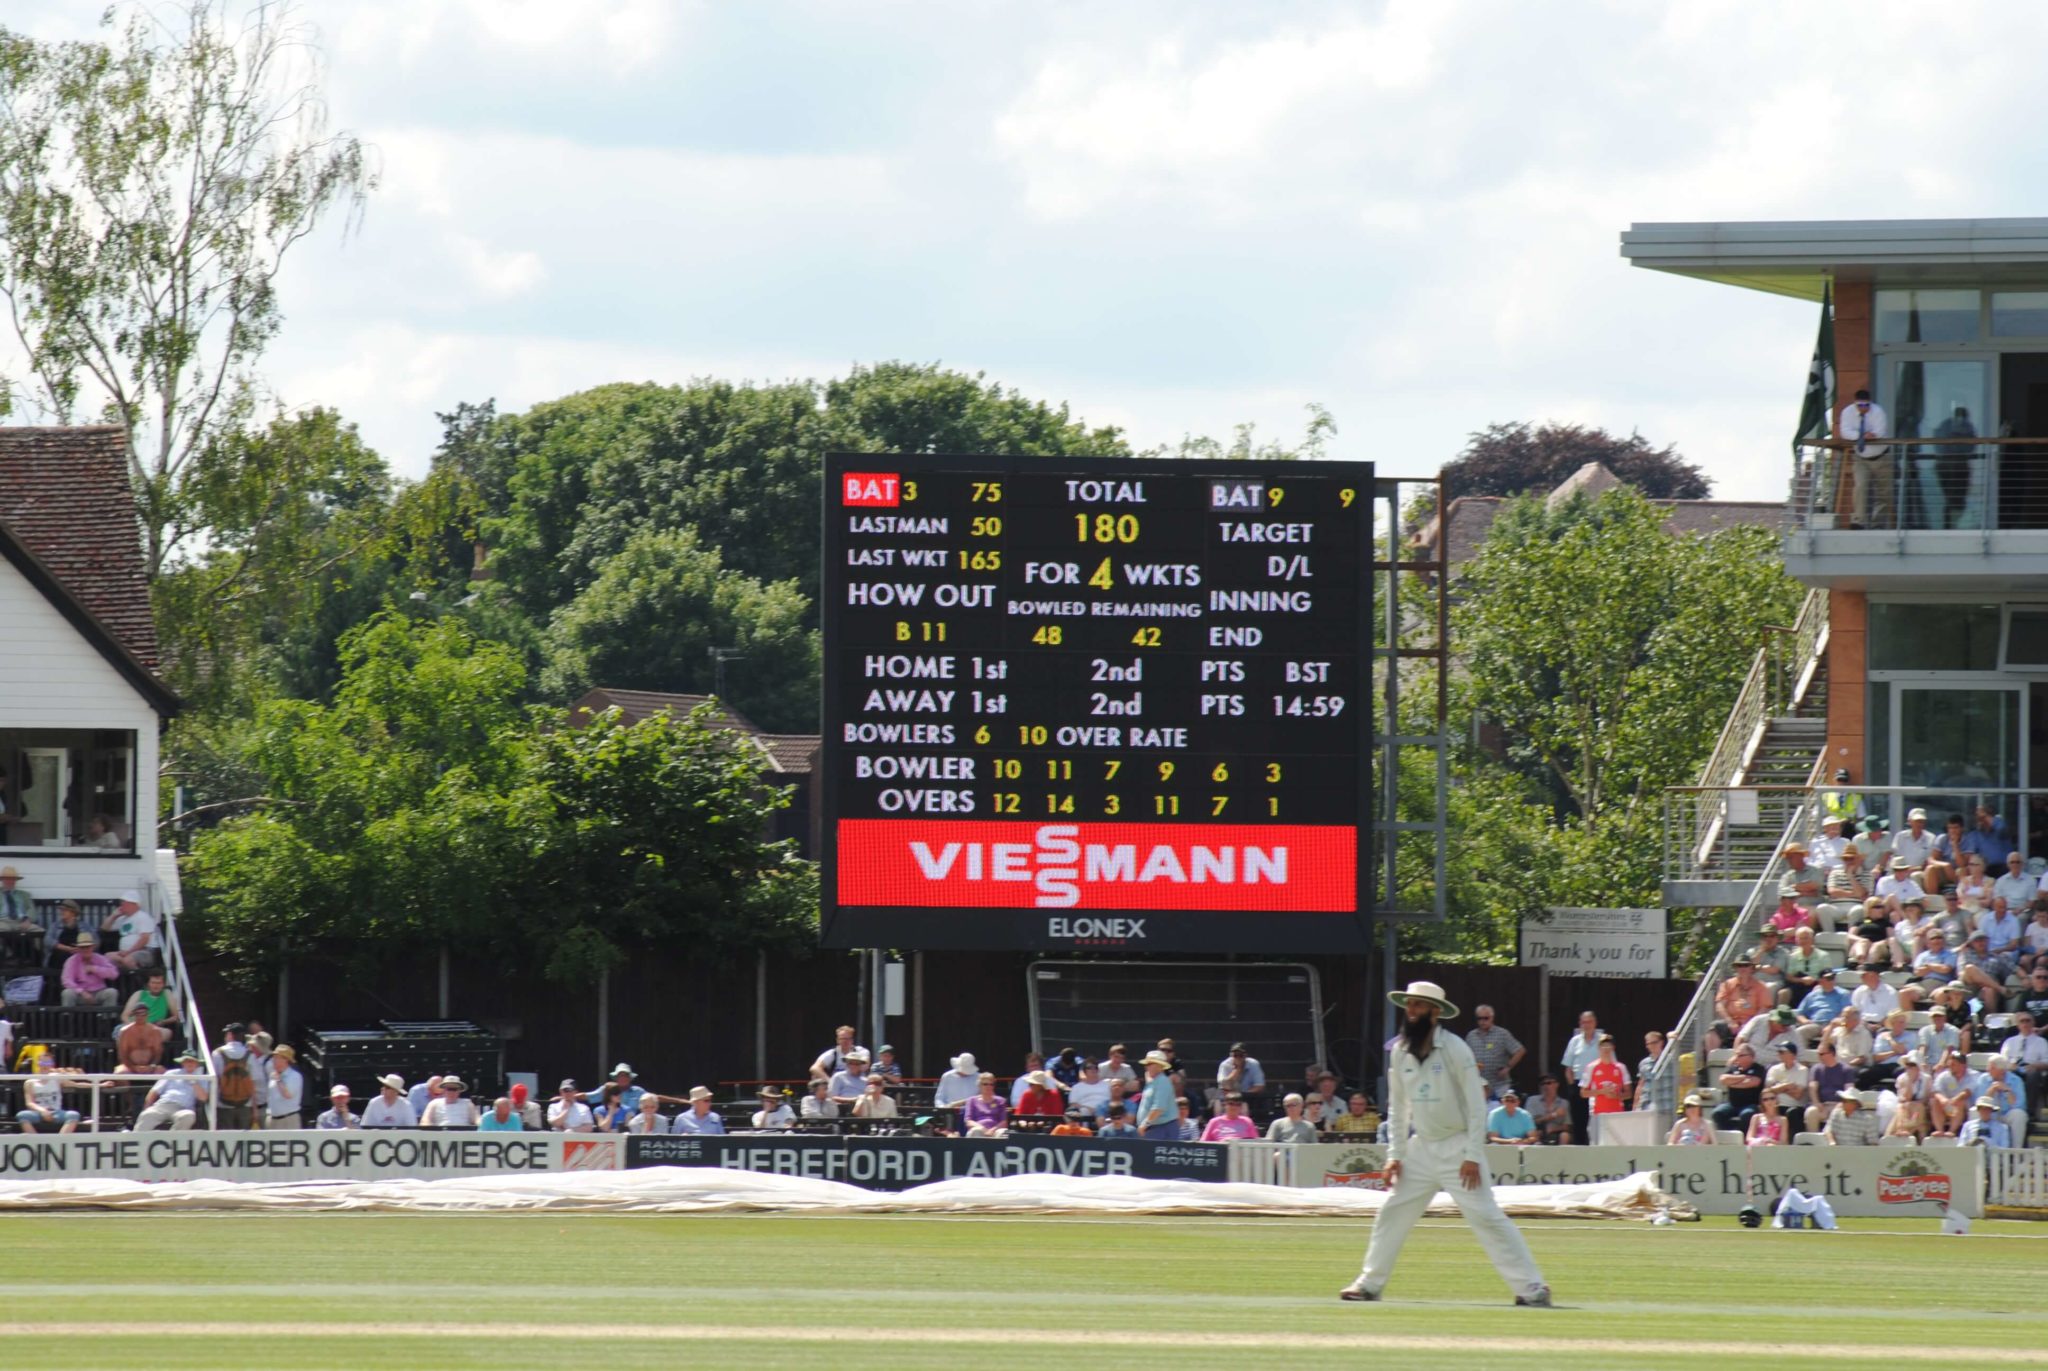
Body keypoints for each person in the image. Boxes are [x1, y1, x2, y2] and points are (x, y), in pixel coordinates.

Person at [1338, 981, 1550, 1307]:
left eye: (1418, 1005)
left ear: (1435, 1012)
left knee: (1486, 1216)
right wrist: (1395, 1155)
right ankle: (1369, 1284)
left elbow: (1476, 1104)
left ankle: (1532, 1288)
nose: (1411, 1011)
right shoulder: (1400, 1051)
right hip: (1421, 1148)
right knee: (1392, 1212)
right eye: (1409, 1004)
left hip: (1458, 1147)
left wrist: (1473, 1154)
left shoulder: (1455, 1048)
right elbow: (1398, 1108)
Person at [1841, 388, 1892, 528]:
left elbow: (1879, 432)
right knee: (1860, 486)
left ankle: (1878, 523)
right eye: (1860, 405)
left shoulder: (1878, 411)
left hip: (1882, 457)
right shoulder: (1847, 412)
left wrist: (1868, 436)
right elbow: (1845, 432)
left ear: (1870, 403)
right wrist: (1861, 436)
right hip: (1861, 458)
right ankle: (1859, 520)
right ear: (1855, 403)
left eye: (1866, 405)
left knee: (1883, 491)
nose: (1863, 408)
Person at [133, 1049, 209, 1131]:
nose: (189, 1063)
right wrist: (146, 1108)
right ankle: (136, 1138)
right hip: (163, 1105)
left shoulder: (202, 1078)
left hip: (183, 1108)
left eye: (192, 1061)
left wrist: (193, 1081)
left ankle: (172, 1138)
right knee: (146, 1115)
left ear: (197, 1063)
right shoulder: (172, 1073)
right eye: (186, 1061)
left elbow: (203, 1098)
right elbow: (154, 1092)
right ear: (182, 1063)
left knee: (188, 1116)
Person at [1465, 1005, 1525, 1102]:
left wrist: (1508, 1067)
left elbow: (1520, 1050)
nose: (1482, 1021)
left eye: (1486, 1018)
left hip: (1500, 1085)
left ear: (1492, 1018)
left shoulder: (1502, 1034)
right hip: (1479, 1085)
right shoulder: (1471, 1036)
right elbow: (1465, 1057)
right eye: (1479, 1018)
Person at [1559, 1011, 1601, 1142]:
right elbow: (1568, 1067)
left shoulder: (1603, 1040)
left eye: (1589, 1022)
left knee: (1598, 1121)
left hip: (1599, 1086)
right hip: (1579, 1085)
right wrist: (1572, 1086)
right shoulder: (1574, 1041)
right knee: (1579, 1123)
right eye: (1583, 1022)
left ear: (1595, 1023)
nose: (1586, 1025)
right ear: (1580, 1024)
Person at [210, 1024, 261, 1130]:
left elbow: (213, 1080)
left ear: (230, 1035)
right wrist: (255, 1109)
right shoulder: (250, 1055)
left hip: (223, 1104)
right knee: (245, 1138)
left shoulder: (217, 1054)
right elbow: (255, 1081)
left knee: (226, 1137)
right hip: (245, 1104)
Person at [15, 1053, 82, 1133]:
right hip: (38, 1113)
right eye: (42, 1063)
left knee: (74, 1115)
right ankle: (35, 1140)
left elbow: (76, 1085)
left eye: (48, 1063)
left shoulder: (57, 1077)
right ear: (38, 1063)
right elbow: (29, 1103)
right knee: (22, 1115)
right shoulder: (30, 1082)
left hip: (57, 1112)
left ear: (52, 1065)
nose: (45, 1066)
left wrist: (95, 1084)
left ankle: (60, 1139)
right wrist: (43, 1111)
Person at [1580, 1034, 1630, 1134]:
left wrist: (1616, 1096)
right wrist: (1601, 1091)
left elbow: (1629, 1093)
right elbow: (1583, 1093)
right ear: (1599, 1048)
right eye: (1603, 1045)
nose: (1606, 1048)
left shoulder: (1621, 1067)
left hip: (1617, 1113)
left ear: (1613, 1048)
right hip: (1597, 1113)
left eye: (1608, 1045)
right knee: (1597, 1142)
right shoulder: (1591, 1067)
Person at [1712, 1043, 1764, 1133]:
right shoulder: (1734, 1068)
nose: (1737, 1058)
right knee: (1718, 1113)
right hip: (1732, 1104)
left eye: (1740, 1055)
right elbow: (1723, 1079)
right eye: (1736, 1055)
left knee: (1747, 1114)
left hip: (1750, 1104)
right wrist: (1743, 1077)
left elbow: (1754, 1082)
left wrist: (1732, 1083)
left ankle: (1743, 1136)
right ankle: (1729, 1135)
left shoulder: (1758, 1068)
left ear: (1751, 1056)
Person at [1763, 1041, 1810, 1139]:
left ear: (1792, 1055)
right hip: (1776, 1105)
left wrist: (1778, 1087)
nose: (1779, 1054)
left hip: (1795, 1107)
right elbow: (1768, 1091)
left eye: (1782, 1052)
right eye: (1779, 1052)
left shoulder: (1803, 1070)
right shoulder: (1774, 1069)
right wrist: (1787, 1086)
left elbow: (1798, 1095)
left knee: (1792, 1113)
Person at [59, 931, 118, 1007]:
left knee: (112, 992)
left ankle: (106, 1015)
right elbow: (66, 980)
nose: (85, 949)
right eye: (82, 947)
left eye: (88, 947)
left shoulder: (100, 958)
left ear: (93, 947)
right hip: (79, 994)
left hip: (98, 992)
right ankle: (68, 1015)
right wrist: (82, 992)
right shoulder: (71, 961)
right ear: (78, 948)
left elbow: (114, 974)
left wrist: (95, 969)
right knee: (67, 993)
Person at [2000, 1013, 2048, 1104]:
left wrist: (2035, 1066)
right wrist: (2010, 1065)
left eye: (2028, 1021)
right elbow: (2002, 1059)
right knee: (2007, 1074)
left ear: (2033, 1023)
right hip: (2014, 1068)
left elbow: (2047, 1060)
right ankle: (2011, 1105)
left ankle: (2030, 1109)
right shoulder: (2009, 1042)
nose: (2025, 1024)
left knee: (2033, 1075)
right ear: (2018, 1025)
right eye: (2022, 1021)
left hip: (2033, 1070)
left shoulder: (2041, 1042)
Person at [105, 891, 157, 971]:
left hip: (144, 951)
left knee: (127, 961)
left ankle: (139, 976)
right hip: (126, 952)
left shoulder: (143, 917)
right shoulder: (123, 919)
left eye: (124, 902)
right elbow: (105, 928)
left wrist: (128, 952)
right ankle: (127, 969)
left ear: (134, 904)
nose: (121, 905)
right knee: (107, 957)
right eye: (121, 902)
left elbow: (144, 939)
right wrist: (113, 916)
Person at [112, 1004, 168, 1075]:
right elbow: (122, 1054)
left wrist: (152, 1066)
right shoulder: (125, 1031)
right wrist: (132, 1067)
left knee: (163, 1072)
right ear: (134, 1015)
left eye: (143, 1014)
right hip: (129, 1066)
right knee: (119, 1073)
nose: (140, 1017)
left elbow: (158, 1053)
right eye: (138, 1014)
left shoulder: (155, 1031)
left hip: (150, 1067)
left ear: (148, 1015)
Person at [1135, 1050, 1177, 1141]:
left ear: (1160, 1066)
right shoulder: (1153, 1082)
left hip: (1162, 1129)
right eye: (1146, 1064)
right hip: (1153, 1129)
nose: (1146, 1067)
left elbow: (1158, 1108)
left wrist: (1144, 1125)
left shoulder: (1162, 1082)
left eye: (1150, 1064)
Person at [263, 1045, 305, 1129]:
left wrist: (279, 1080)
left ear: (285, 1059)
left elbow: (288, 1095)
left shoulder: (294, 1076)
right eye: (273, 1057)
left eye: (276, 1058)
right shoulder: (273, 1076)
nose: (273, 1060)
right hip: (272, 1119)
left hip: (288, 1120)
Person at [1529, 1076, 1571, 1145]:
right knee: (1534, 1136)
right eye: (1542, 1084)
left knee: (1565, 1135)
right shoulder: (1532, 1100)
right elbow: (1528, 1122)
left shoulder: (1564, 1103)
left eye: (1548, 1083)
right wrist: (1554, 1115)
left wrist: (1553, 1129)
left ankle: (1562, 1152)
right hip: (1537, 1131)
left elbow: (1567, 1126)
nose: (1545, 1086)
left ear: (1557, 1084)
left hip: (1556, 1132)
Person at [0, 864, 34, 931]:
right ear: (2, 880)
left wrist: (28, 920)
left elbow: (31, 909)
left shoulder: (24, 895)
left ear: (15, 881)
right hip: (3, 921)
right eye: (7, 879)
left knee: (38, 931)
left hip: (21, 921)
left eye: (12, 879)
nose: (10, 881)